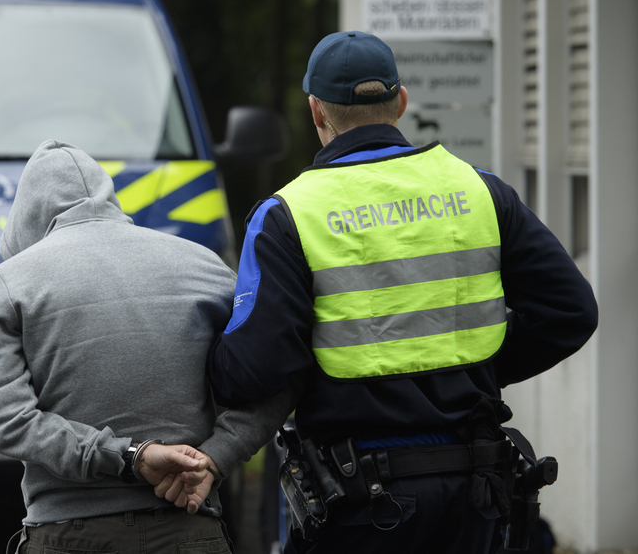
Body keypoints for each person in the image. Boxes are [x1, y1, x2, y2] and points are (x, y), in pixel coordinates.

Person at [207, 31, 599, 553]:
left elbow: (255, 368)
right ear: (402, 102)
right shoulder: (480, 191)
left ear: (316, 112)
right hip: (474, 493)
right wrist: (470, 363)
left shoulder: (286, 216)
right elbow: (571, 311)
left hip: (358, 500)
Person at [0, 140, 291, 554]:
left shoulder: (9, 282)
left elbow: (3, 418)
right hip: (190, 529)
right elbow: (279, 373)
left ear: (25, 219)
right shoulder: (205, 266)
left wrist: (129, 457)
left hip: (69, 536)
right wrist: (214, 457)